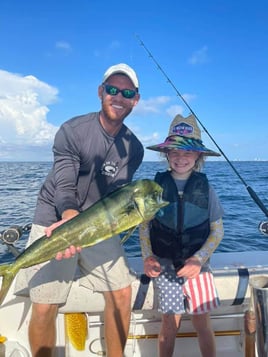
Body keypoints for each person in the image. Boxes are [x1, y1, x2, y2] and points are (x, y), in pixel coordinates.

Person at [15, 63, 144, 357]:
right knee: (46, 306)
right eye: (112, 89)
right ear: (101, 92)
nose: (118, 97)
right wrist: (70, 220)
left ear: (135, 99)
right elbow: (64, 183)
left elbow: (119, 197)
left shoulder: (134, 148)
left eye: (127, 92)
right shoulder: (72, 131)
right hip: (56, 218)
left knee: (122, 293)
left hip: (99, 222)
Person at [139, 114, 224, 357]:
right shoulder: (155, 188)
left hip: (199, 267)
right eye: (174, 152)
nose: (180, 157)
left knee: (202, 324)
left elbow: (218, 231)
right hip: (164, 266)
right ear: (166, 154)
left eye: (187, 152)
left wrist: (199, 259)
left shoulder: (206, 189)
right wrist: (147, 257)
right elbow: (144, 226)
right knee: (169, 325)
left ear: (198, 156)